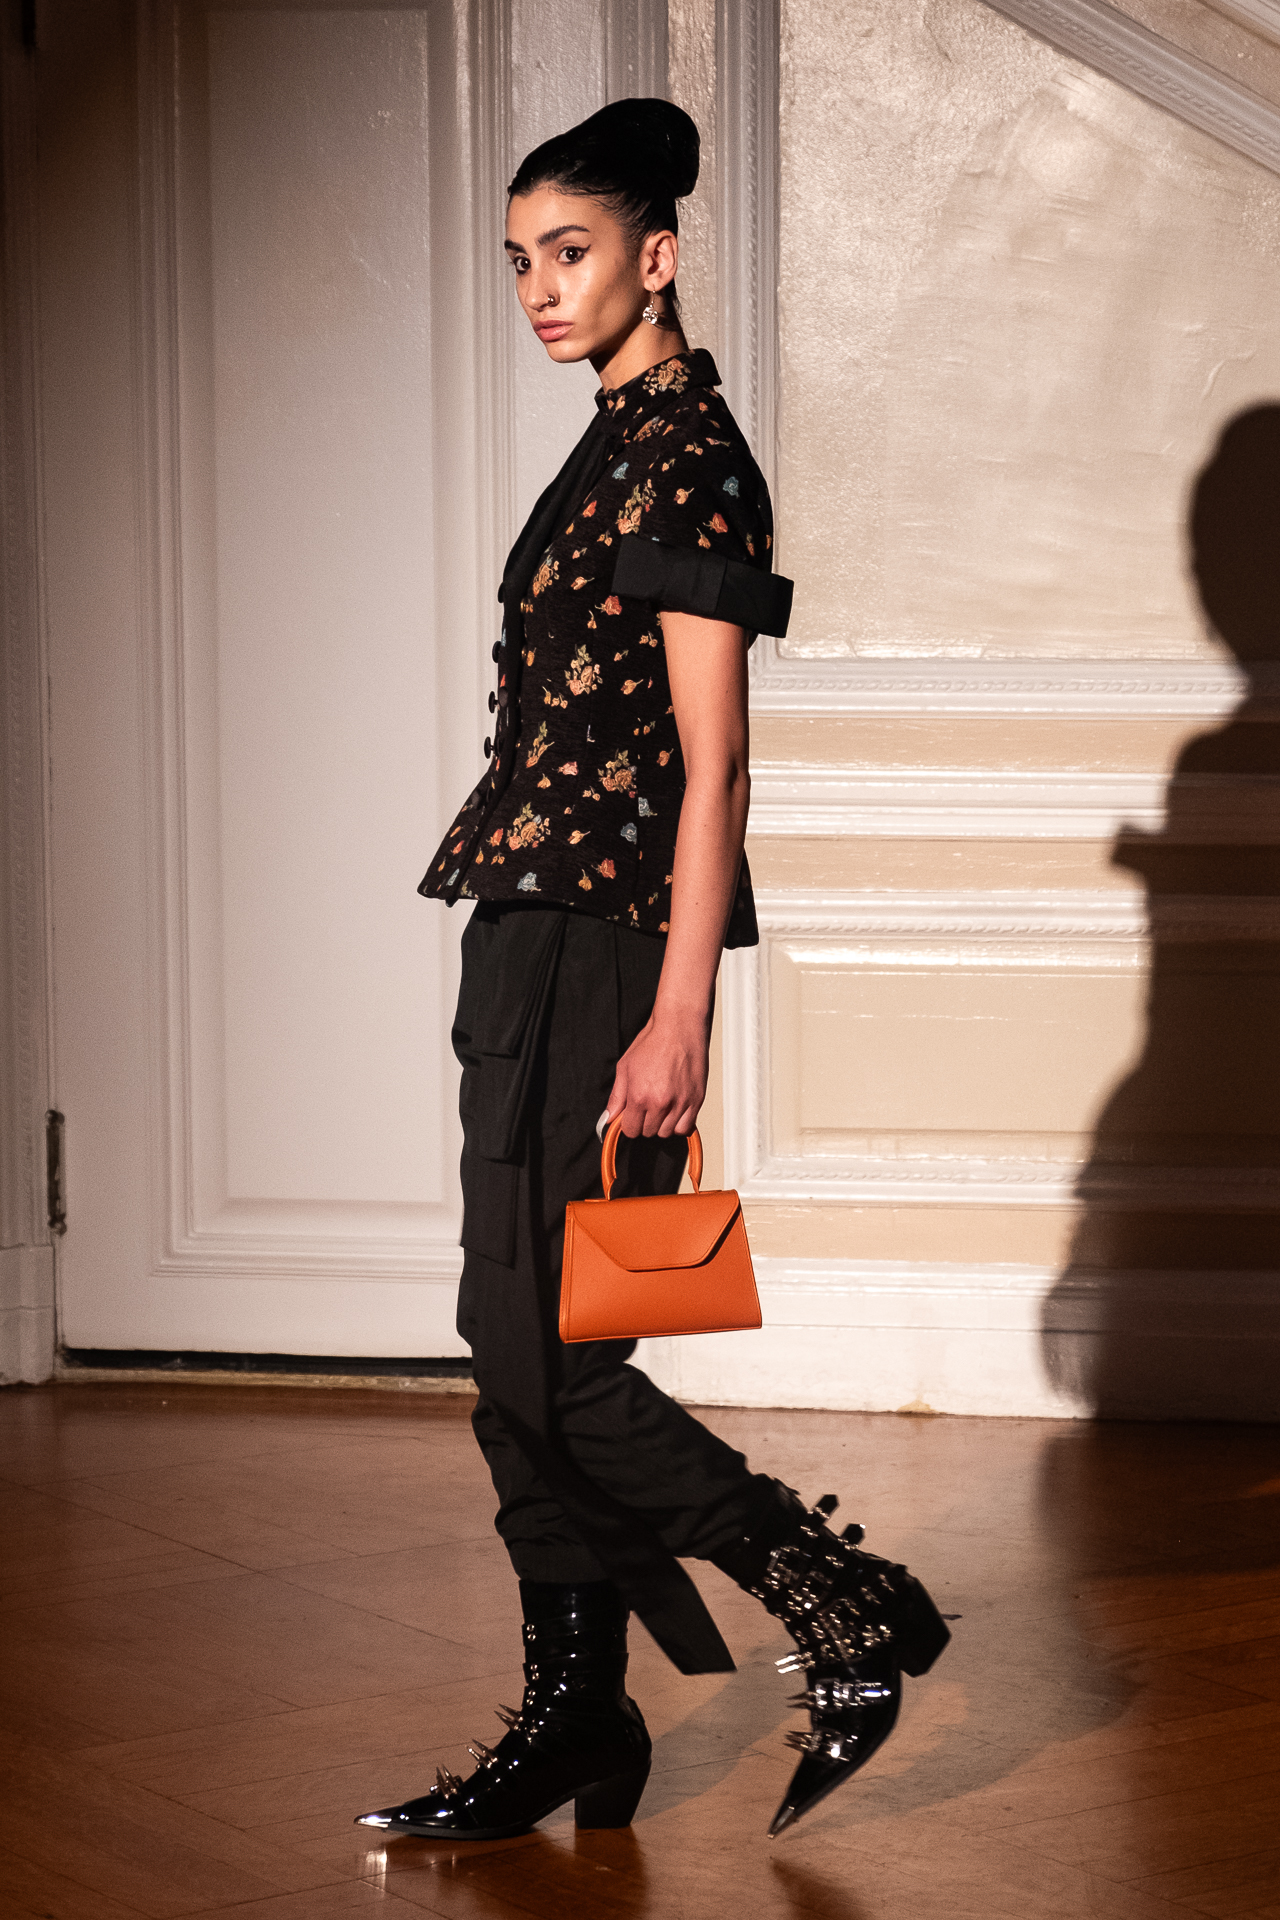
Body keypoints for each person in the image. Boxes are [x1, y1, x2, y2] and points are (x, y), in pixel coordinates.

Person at [356, 98, 947, 1845]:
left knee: (564, 1352)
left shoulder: (689, 453)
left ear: (657, 255)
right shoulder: (608, 438)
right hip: (521, 935)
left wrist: (683, 1005)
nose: (542, 289)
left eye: (574, 254)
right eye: (523, 261)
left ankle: (844, 1598)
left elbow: (718, 763)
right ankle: (579, 1725)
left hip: (612, 946)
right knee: (505, 1339)